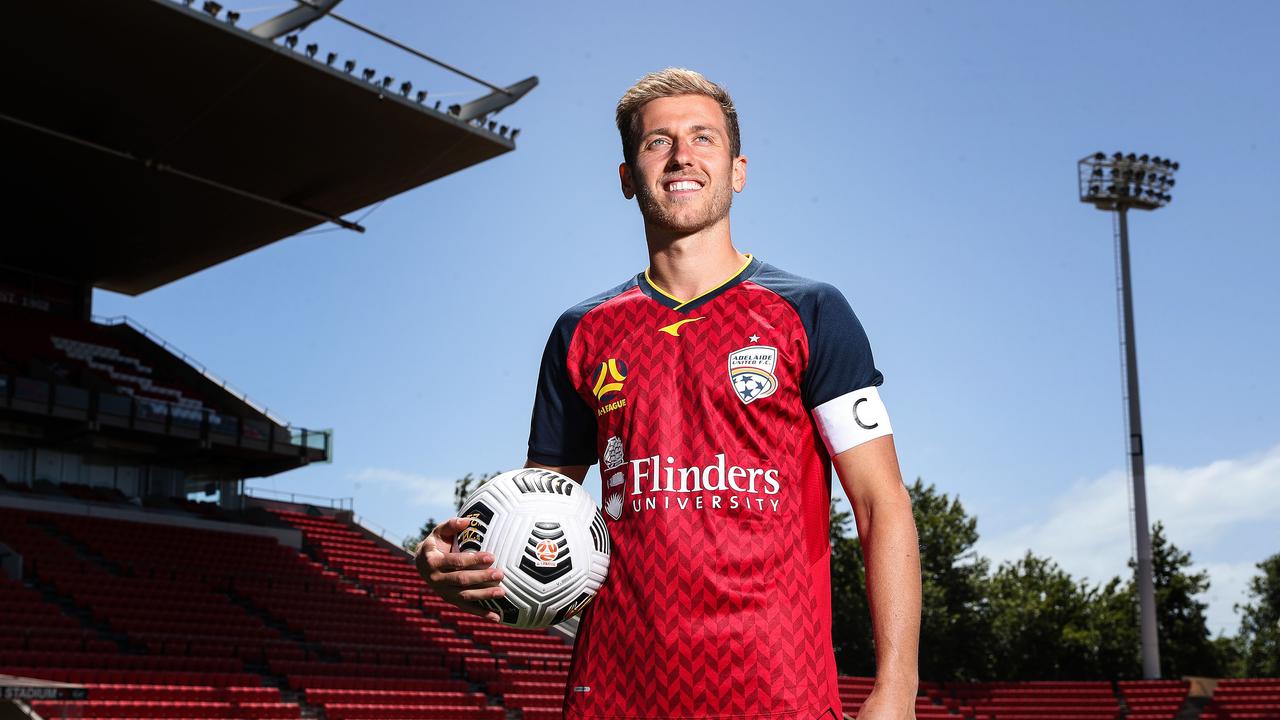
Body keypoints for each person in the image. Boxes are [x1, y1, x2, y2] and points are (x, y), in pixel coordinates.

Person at [416, 68, 921, 720]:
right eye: (657, 142)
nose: (682, 155)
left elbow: (882, 504)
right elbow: (541, 515)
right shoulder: (581, 332)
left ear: (738, 169)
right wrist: (464, 568)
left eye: (702, 138)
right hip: (615, 696)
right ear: (628, 178)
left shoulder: (813, 311)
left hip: (779, 693)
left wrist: (897, 686)